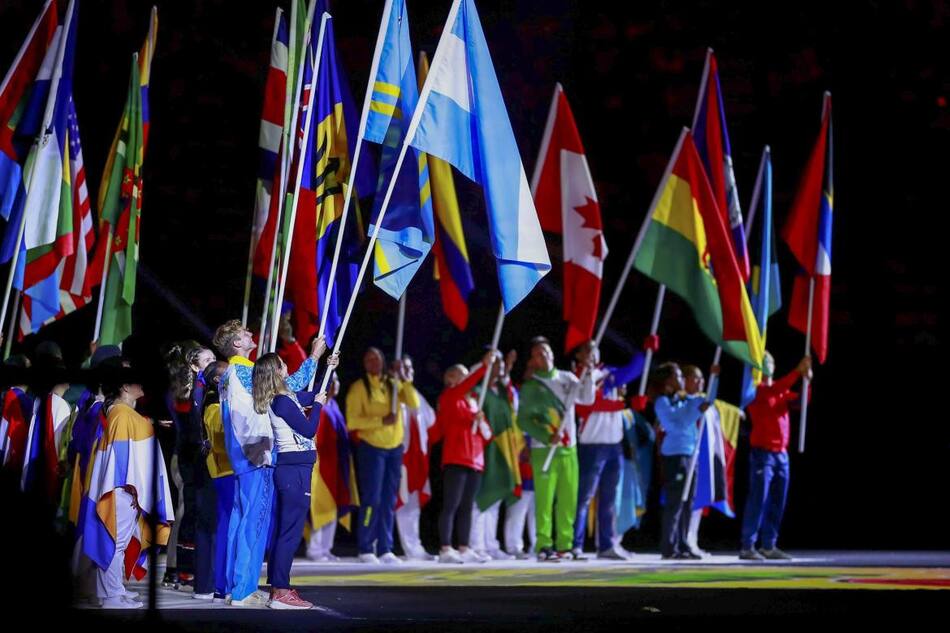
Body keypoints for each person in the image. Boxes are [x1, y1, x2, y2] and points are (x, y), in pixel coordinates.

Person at [213, 319, 322, 606]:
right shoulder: (245, 370)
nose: (251, 335)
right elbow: (286, 388)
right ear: (237, 344)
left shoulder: (230, 373)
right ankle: (243, 590)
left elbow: (288, 394)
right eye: (245, 334)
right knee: (255, 524)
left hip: (241, 454)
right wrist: (313, 358)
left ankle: (229, 585)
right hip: (257, 455)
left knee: (239, 522)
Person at [82, 363, 174, 609]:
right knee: (116, 540)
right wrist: (131, 487)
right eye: (136, 380)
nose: (141, 384)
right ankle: (110, 596)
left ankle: (114, 590)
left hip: (124, 488)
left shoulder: (123, 412)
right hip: (123, 489)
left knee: (119, 540)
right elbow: (120, 456)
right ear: (124, 386)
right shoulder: (121, 414)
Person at [254, 351, 339, 609]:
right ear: (276, 372)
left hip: (296, 470)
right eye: (282, 364)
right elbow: (309, 428)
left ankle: (279, 586)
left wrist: (328, 368)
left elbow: (313, 395)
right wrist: (320, 407)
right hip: (293, 472)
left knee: (286, 531)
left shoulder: (285, 397)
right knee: (289, 533)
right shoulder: (280, 401)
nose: (286, 366)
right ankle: (280, 590)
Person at [571, 337, 655, 560]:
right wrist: (622, 405)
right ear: (579, 355)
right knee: (584, 497)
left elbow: (632, 372)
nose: (592, 354)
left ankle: (606, 545)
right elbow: (587, 404)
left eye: (595, 350)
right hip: (592, 444)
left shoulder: (608, 373)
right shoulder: (577, 376)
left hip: (613, 445)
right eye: (587, 350)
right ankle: (574, 544)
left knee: (609, 499)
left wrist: (644, 352)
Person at [517, 337, 596, 561]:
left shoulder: (568, 378)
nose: (544, 356)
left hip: (569, 448)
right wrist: (545, 434)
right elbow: (523, 420)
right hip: (545, 449)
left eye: (547, 351)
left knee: (568, 499)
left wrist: (588, 373)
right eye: (538, 354)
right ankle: (543, 545)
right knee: (544, 500)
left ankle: (566, 545)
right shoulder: (532, 387)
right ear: (533, 360)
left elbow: (587, 399)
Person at [345, 347, 420, 564]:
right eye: (369, 359)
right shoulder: (359, 388)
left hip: (394, 449)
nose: (373, 362)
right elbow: (352, 421)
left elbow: (414, 403)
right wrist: (380, 421)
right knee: (372, 498)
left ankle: (386, 547)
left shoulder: (393, 384)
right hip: (372, 448)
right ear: (364, 364)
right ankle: (366, 546)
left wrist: (404, 378)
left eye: (377, 358)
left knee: (389, 500)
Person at [739, 353, 812, 561]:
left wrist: (807, 381)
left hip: (782, 454)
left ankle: (769, 545)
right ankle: (747, 546)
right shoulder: (756, 392)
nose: (768, 367)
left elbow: (801, 402)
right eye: (764, 364)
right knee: (758, 498)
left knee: (778, 501)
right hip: (763, 454)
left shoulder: (781, 391)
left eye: (770, 363)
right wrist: (797, 372)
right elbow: (774, 390)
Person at [432, 351, 497, 563]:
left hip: (475, 460)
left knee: (468, 506)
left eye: (467, 376)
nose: (466, 380)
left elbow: (487, 436)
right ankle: (445, 548)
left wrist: (481, 420)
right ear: (451, 378)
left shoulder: (473, 403)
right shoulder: (449, 397)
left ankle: (464, 547)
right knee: (452, 504)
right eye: (462, 376)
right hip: (456, 457)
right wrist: (484, 365)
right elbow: (465, 386)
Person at [653, 362, 715, 560]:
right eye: (678, 376)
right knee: (675, 502)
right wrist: (696, 409)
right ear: (668, 381)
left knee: (688, 502)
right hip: (675, 456)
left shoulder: (683, 401)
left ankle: (683, 543)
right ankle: (669, 547)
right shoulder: (662, 402)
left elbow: (705, 401)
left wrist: (715, 378)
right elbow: (676, 424)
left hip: (690, 455)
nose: (682, 380)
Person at [682, 364, 744, 558]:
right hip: (688, 457)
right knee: (686, 502)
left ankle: (692, 540)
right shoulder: (685, 401)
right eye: (695, 378)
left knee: (699, 501)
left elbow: (715, 404)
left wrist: (715, 378)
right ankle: (683, 541)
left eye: (702, 379)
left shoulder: (707, 404)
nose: (700, 382)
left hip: (705, 460)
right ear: (684, 380)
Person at [470, 349, 519, 561]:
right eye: (494, 363)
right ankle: (477, 545)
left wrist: (507, 369)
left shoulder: (501, 390)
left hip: (504, 450)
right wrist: (483, 365)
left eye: (500, 364)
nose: (498, 367)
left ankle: (491, 544)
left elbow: (514, 408)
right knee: (481, 497)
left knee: (497, 495)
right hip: (485, 449)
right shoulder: (477, 389)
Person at [308, 372, 357, 562]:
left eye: (336, 381)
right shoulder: (317, 407)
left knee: (333, 507)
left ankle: (326, 548)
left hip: (336, 464)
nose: (334, 385)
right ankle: (315, 548)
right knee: (320, 507)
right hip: (320, 466)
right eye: (331, 382)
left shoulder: (335, 406)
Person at [393, 355, 438, 562]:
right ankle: (381, 546)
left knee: (412, 503)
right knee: (398, 502)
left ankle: (415, 546)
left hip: (416, 458)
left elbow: (431, 421)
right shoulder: (393, 392)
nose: (407, 371)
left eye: (409, 368)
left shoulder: (415, 394)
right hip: (398, 455)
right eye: (403, 368)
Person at [199, 361, 234, 602]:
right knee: (225, 529)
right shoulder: (212, 402)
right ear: (216, 380)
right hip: (224, 472)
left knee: (231, 529)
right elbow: (220, 428)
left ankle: (229, 582)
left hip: (233, 470)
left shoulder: (220, 400)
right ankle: (222, 585)